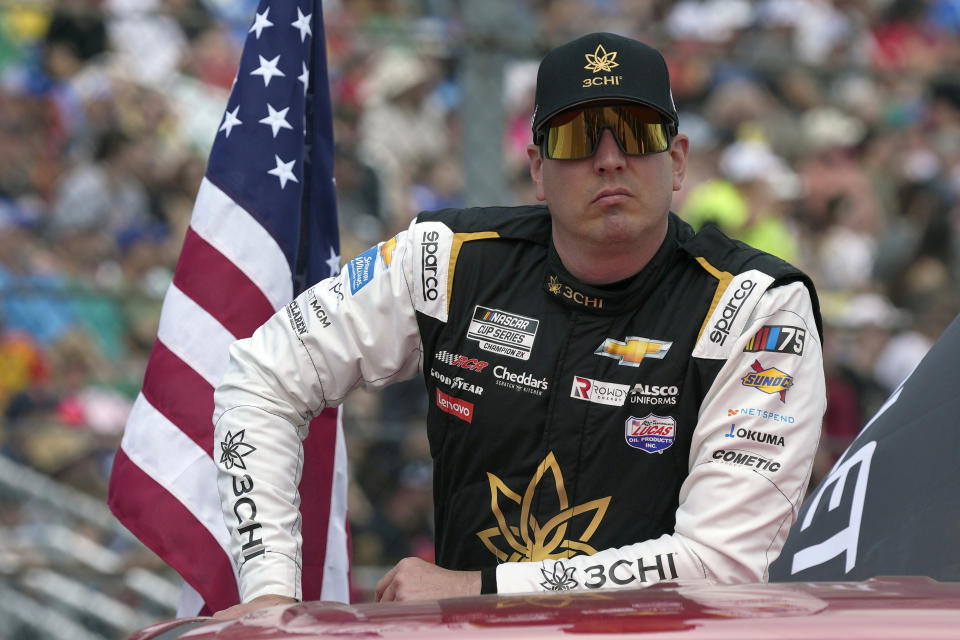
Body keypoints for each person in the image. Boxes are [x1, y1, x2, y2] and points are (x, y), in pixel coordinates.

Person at [212, 32, 826, 618]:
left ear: (679, 159)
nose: (609, 160)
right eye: (578, 137)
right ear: (537, 168)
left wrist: (479, 589)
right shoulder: (444, 257)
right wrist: (269, 591)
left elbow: (719, 565)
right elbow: (260, 376)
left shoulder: (757, 306)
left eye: (637, 134)